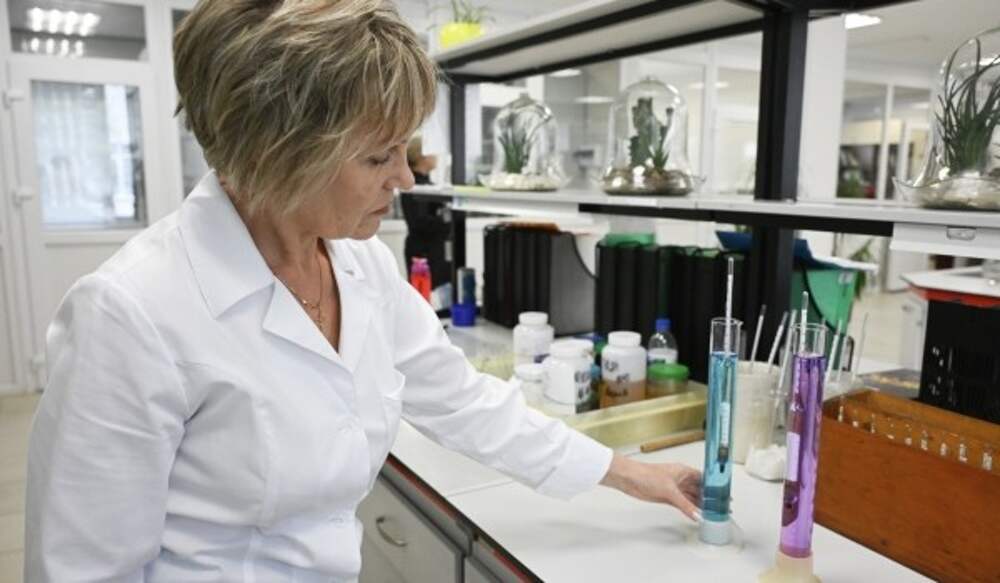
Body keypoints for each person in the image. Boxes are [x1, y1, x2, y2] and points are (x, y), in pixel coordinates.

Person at [24, 1, 702, 580]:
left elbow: (465, 402)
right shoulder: (131, 313)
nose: (404, 178)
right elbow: (85, 570)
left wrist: (629, 473)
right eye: (379, 156)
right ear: (278, 152)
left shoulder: (361, 268)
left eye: (405, 149)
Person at [401, 136, 452, 290]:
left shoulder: (428, 185)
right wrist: (445, 219)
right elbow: (419, 222)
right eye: (433, 152)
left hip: (436, 251)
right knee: (425, 296)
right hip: (423, 253)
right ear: (422, 155)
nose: (436, 156)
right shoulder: (413, 185)